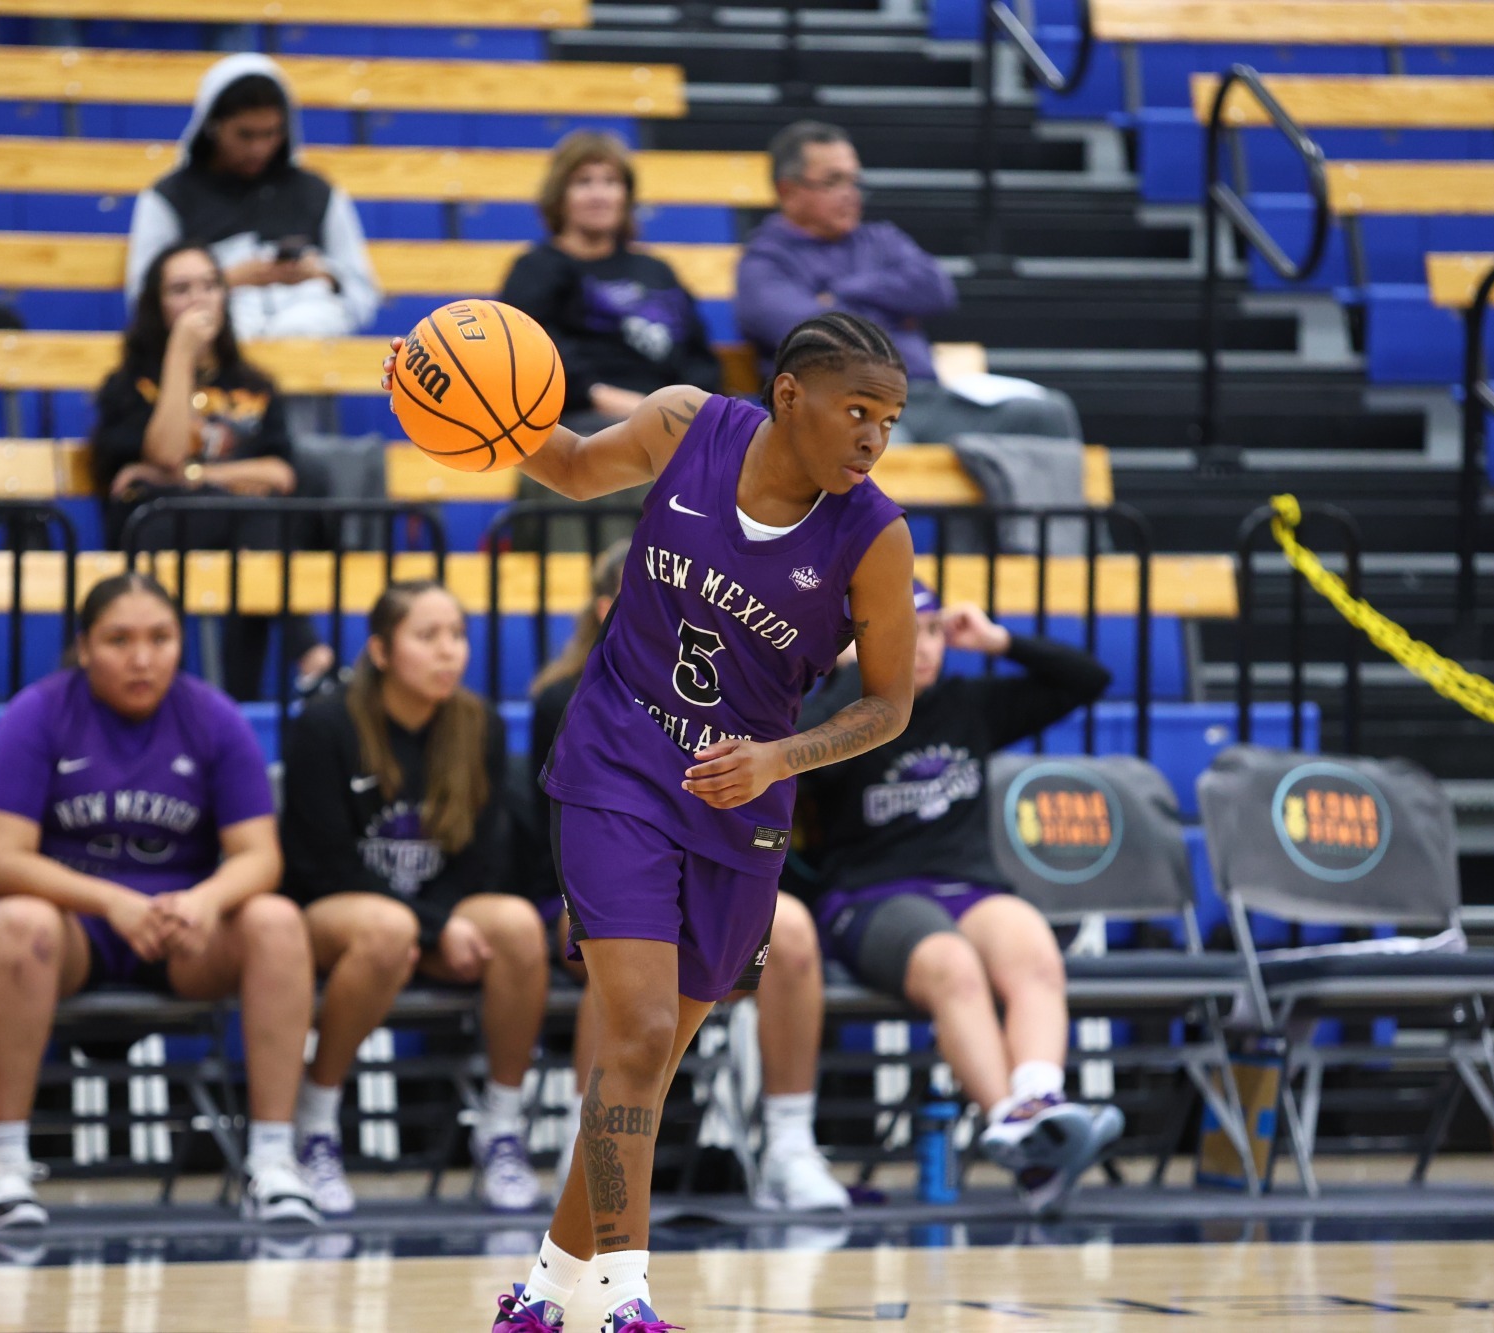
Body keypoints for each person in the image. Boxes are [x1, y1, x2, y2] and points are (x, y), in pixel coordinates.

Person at [388, 310, 919, 1333]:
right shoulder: (686, 425)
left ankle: (544, 1291)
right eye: (856, 411)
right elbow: (573, 465)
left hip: (739, 801)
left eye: (887, 421)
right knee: (630, 1030)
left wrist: (778, 755)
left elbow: (886, 707)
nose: (871, 439)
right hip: (617, 762)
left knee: (646, 1064)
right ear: (788, 396)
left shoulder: (875, 538)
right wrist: (441, 398)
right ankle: (623, 1296)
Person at [0, 572, 319, 1229]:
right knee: (21, 922)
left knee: (276, 920)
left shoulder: (213, 715)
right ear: (84, 647)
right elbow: (1, 859)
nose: (141, 656)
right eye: (119, 639)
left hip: (176, 928)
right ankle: (4, 1167)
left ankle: (273, 1161)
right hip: (70, 924)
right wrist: (114, 903)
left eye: (160, 637)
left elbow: (260, 855)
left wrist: (206, 900)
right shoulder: (38, 712)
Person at [530, 541, 850, 1214]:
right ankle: (582, 1141)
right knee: (629, 938)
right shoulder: (566, 695)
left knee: (789, 930)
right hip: (588, 875)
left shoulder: (728, 686)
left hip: (712, 868)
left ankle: (790, 1141)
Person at [796, 580, 1123, 1215]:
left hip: (968, 888)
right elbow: (802, 758)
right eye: (900, 633)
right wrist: (845, 676)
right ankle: (1015, 1129)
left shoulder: (968, 706)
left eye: (933, 631)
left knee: (1033, 947)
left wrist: (1001, 640)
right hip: (872, 896)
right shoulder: (842, 714)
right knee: (952, 966)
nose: (921, 648)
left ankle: (1035, 1104)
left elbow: (1088, 679)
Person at [280, 581, 548, 1218]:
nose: (448, 652)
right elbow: (323, 864)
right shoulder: (326, 724)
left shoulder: (475, 723)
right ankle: (315, 1121)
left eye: (457, 635)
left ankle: (500, 1128)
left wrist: (440, 923)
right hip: (335, 913)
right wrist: (433, 927)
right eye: (427, 637)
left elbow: (484, 855)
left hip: (431, 917)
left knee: (515, 926)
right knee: (385, 930)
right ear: (380, 650)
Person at [735, 120, 1081, 446]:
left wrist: (843, 293)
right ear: (789, 191)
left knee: (1047, 413)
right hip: (842, 407)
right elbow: (817, 339)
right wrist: (893, 310)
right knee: (875, 445)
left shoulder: (881, 239)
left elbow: (937, 290)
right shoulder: (764, 262)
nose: (850, 194)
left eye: (854, 181)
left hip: (922, 398)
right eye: (833, 181)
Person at [92, 242, 334, 701]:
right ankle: (311, 658)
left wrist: (193, 475)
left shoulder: (254, 383)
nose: (198, 299)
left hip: (239, 527)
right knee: (259, 521)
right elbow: (164, 453)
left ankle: (240, 701)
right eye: (180, 289)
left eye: (209, 285)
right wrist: (180, 357)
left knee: (262, 525)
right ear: (156, 304)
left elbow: (280, 474)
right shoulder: (130, 385)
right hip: (159, 529)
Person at [125, 53, 379, 344]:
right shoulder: (168, 197)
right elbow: (144, 298)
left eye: (271, 134)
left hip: (310, 345)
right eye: (245, 135)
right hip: (215, 352)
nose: (259, 149)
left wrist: (322, 276)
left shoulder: (318, 192)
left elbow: (363, 293)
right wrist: (223, 281)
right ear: (212, 126)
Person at [500, 131, 722, 437]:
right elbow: (532, 357)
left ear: (625, 195)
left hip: (669, 418)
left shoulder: (657, 270)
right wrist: (604, 397)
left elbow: (697, 357)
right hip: (582, 422)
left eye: (611, 181)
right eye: (583, 182)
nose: (599, 194)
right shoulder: (536, 269)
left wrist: (686, 407)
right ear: (559, 196)